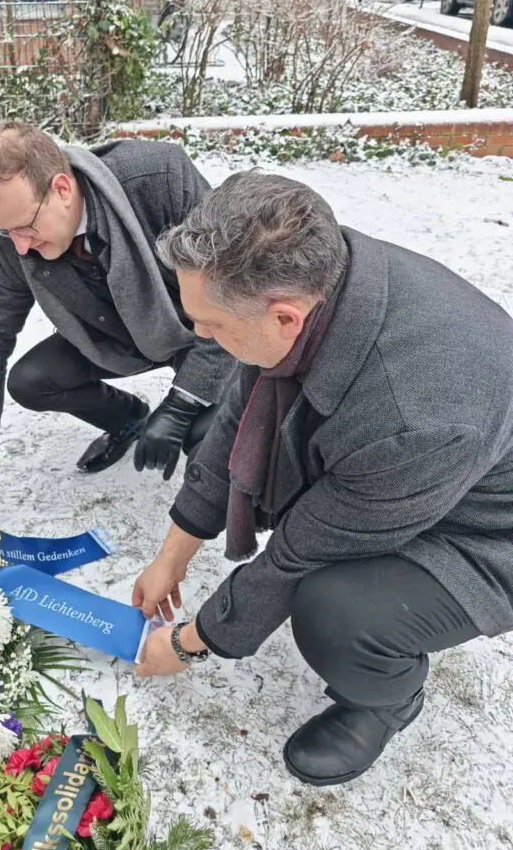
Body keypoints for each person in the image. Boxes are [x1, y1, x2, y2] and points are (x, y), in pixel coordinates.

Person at [133, 171, 513, 787]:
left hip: (486, 531)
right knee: (228, 426)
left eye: (211, 325)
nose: (199, 337)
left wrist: (188, 642)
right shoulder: (315, 281)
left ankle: (386, 698)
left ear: (285, 318)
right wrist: (175, 550)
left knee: (334, 607)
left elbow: (299, 556)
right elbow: (239, 410)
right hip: (411, 474)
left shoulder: (411, 418)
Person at [0, 122, 236, 510]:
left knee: (203, 433)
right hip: (110, 339)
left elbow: (234, 292)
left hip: (196, 334)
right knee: (30, 381)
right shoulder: (14, 235)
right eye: (6, 232)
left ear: (62, 189)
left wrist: (182, 404)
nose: (20, 245)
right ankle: (128, 418)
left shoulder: (160, 176)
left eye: (25, 228)